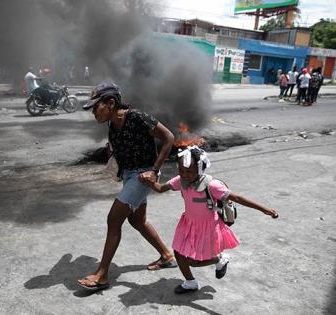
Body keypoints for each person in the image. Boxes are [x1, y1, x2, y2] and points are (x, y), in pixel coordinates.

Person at [77, 81, 176, 291]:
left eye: (97, 107)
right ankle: (167, 256)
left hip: (143, 176)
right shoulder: (112, 124)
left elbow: (169, 137)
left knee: (114, 219)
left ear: (111, 103)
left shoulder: (137, 117)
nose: (94, 112)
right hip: (129, 176)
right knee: (137, 220)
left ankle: (102, 275)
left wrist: (155, 171)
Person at [142, 146, 279, 293]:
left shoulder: (212, 185)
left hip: (208, 227)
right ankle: (190, 282)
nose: (185, 175)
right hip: (188, 223)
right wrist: (149, 181)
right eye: (181, 170)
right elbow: (161, 188)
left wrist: (263, 209)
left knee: (193, 262)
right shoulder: (180, 180)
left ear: (201, 168)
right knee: (179, 253)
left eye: (189, 171)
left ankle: (219, 258)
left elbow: (237, 197)